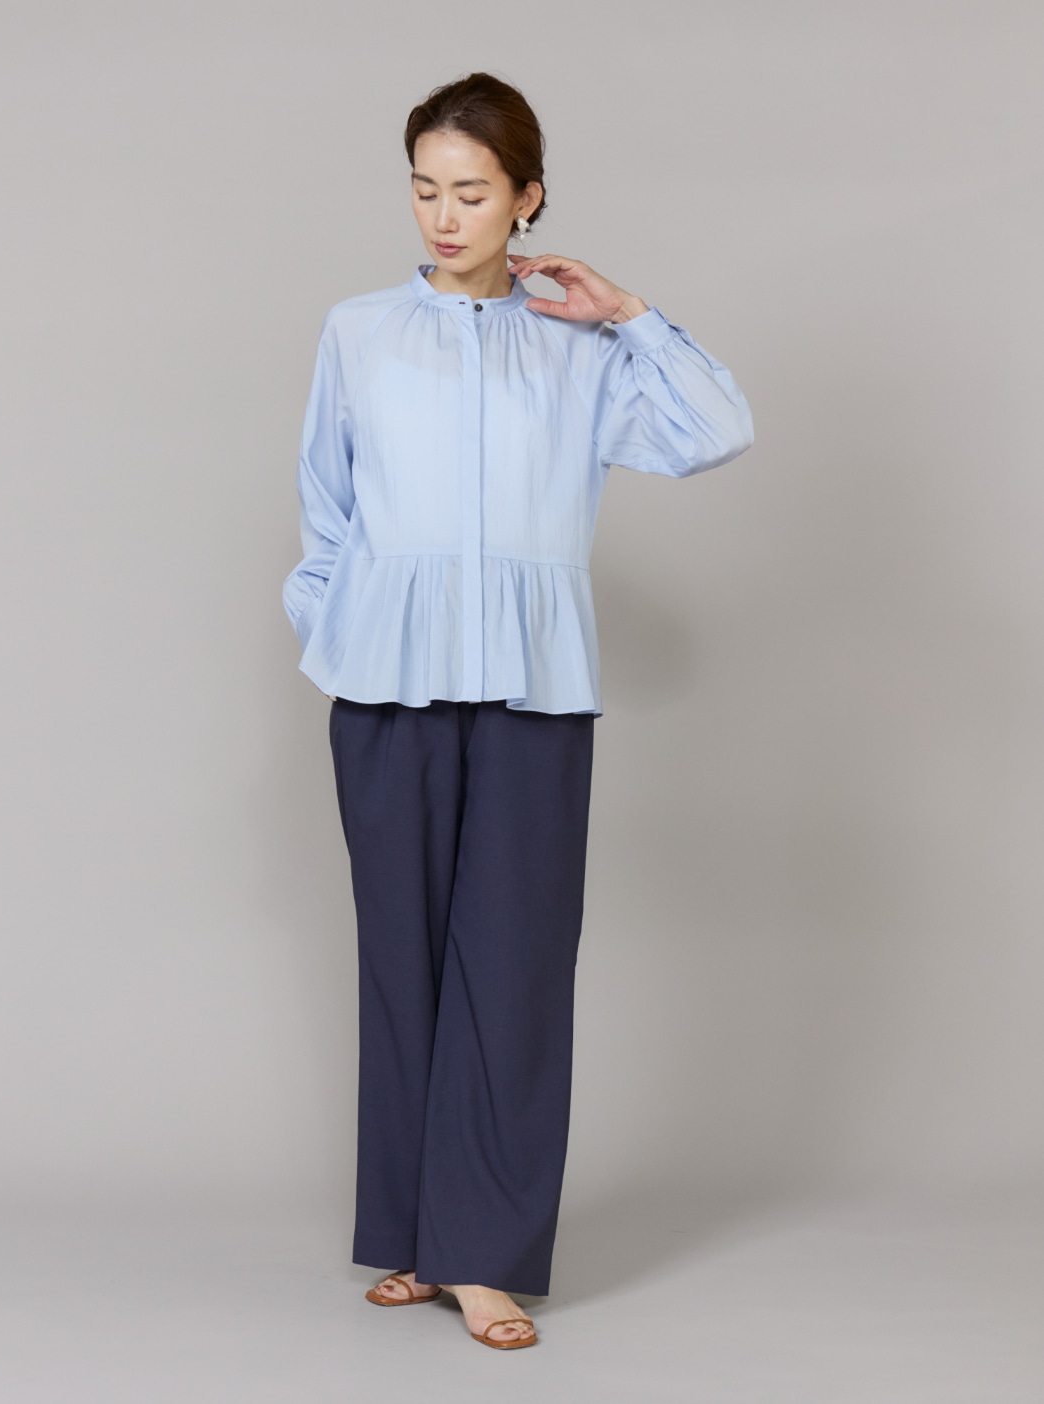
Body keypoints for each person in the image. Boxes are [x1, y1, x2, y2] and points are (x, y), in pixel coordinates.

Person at [281, 71, 754, 1351]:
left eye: (473, 193)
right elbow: (326, 507)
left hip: (536, 688)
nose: (444, 216)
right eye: (425, 190)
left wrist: (631, 313)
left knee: (517, 964)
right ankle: (413, 1236)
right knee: (401, 962)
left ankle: (482, 1256)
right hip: (384, 685)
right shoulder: (359, 331)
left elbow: (715, 431)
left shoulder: (578, 342)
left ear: (528, 199)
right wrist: (334, 633)